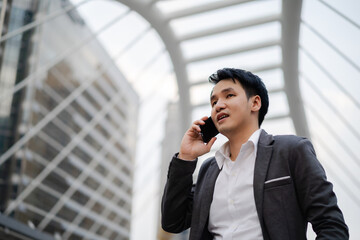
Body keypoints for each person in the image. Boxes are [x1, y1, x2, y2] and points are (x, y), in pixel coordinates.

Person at [161, 68, 348, 240]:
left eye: (229, 95)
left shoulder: (291, 151)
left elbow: (331, 225)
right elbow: (173, 222)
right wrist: (186, 157)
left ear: (255, 102)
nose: (218, 106)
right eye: (214, 101)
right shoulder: (208, 170)